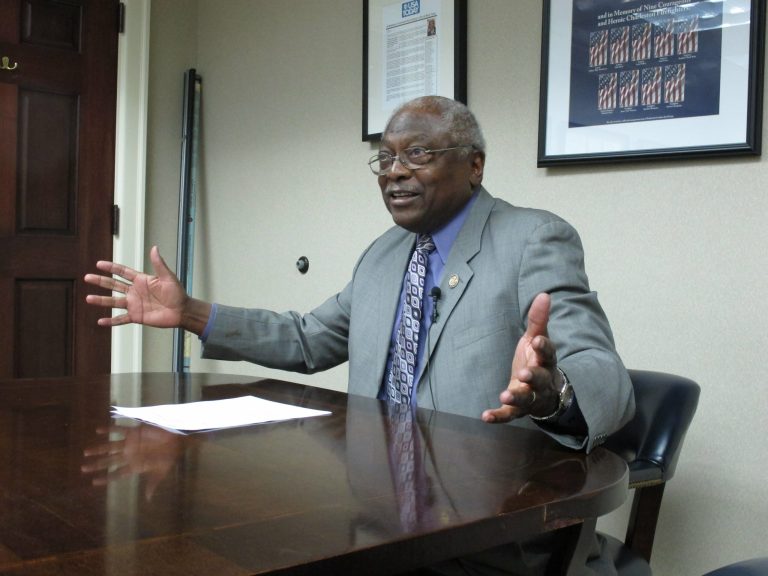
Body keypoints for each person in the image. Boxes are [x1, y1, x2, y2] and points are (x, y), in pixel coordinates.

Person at [85, 96, 634, 574]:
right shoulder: (382, 256)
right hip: (376, 519)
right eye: (386, 157)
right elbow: (307, 339)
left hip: (487, 536)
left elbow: (604, 374)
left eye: (418, 154)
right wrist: (191, 312)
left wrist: (552, 392)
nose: (394, 172)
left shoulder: (532, 238)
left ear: (475, 165)